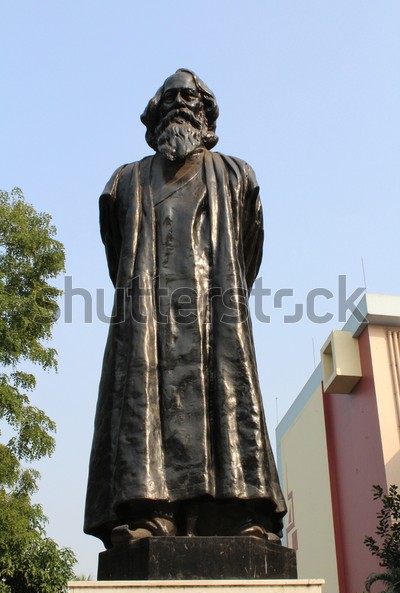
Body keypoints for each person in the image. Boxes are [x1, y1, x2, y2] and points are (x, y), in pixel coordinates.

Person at [84, 69, 286, 549]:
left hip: (216, 318)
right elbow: (117, 256)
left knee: (227, 406)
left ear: (206, 113)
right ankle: (151, 512)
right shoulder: (125, 181)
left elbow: (248, 251)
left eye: (190, 96)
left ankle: (232, 512)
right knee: (143, 410)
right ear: (155, 115)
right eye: (171, 96)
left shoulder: (237, 176)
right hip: (146, 321)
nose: (180, 103)